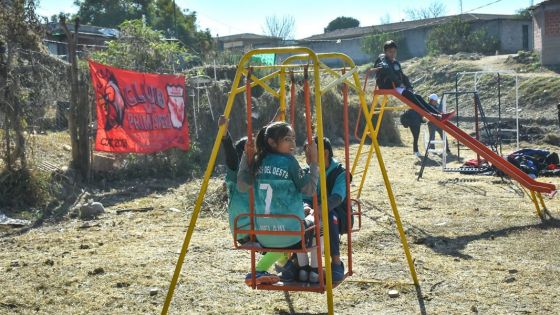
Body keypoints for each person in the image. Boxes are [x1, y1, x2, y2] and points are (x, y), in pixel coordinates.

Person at [237, 121, 319, 285]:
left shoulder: (259, 161)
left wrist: (246, 157)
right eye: (288, 139)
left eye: (294, 139)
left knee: (289, 229)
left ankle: (288, 267)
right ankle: (313, 270)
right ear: (272, 142)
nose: (293, 144)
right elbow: (309, 189)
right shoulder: (289, 162)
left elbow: (242, 185)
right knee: (318, 221)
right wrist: (314, 163)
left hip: (264, 235)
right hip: (292, 236)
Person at [299, 137, 349, 283]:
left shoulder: (339, 172)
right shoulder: (307, 172)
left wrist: (321, 208)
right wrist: (305, 207)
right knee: (297, 215)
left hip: (337, 214)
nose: (307, 158)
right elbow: (303, 196)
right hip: (313, 213)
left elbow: (337, 197)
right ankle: (300, 263)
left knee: (328, 215)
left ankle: (336, 261)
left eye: (311, 154)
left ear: (325, 153)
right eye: (306, 154)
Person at [374, 40, 455, 121]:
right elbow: (387, 70)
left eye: (394, 52)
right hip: (387, 85)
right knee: (410, 95)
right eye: (390, 52)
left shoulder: (395, 62)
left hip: (396, 85)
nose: (392, 54)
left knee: (417, 97)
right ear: (385, 52)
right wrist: (399, 83)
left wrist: (409, 86)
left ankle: (438, 114)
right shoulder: (382, 60)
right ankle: (433, 115)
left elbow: (403, 76)